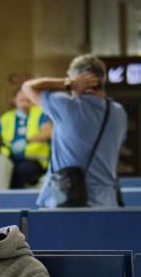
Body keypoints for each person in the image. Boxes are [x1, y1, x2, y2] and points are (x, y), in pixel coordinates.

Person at [22, 55, 128, 208]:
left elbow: (28, 87)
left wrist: (68, 83)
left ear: (78, 80)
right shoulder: (118, 112)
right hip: (108, 206)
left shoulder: (65, 106)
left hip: (67, 205)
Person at [0, 87, 53, 189]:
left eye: (28, 100)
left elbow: (48, 132)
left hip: (34, 161)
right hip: (9, 159)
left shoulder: (40, 114)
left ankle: (12, 200)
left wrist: (27, 141)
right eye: (21, 100)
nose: (25, 103)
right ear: (14, 100)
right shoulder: (6, 117)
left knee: (19, 171)